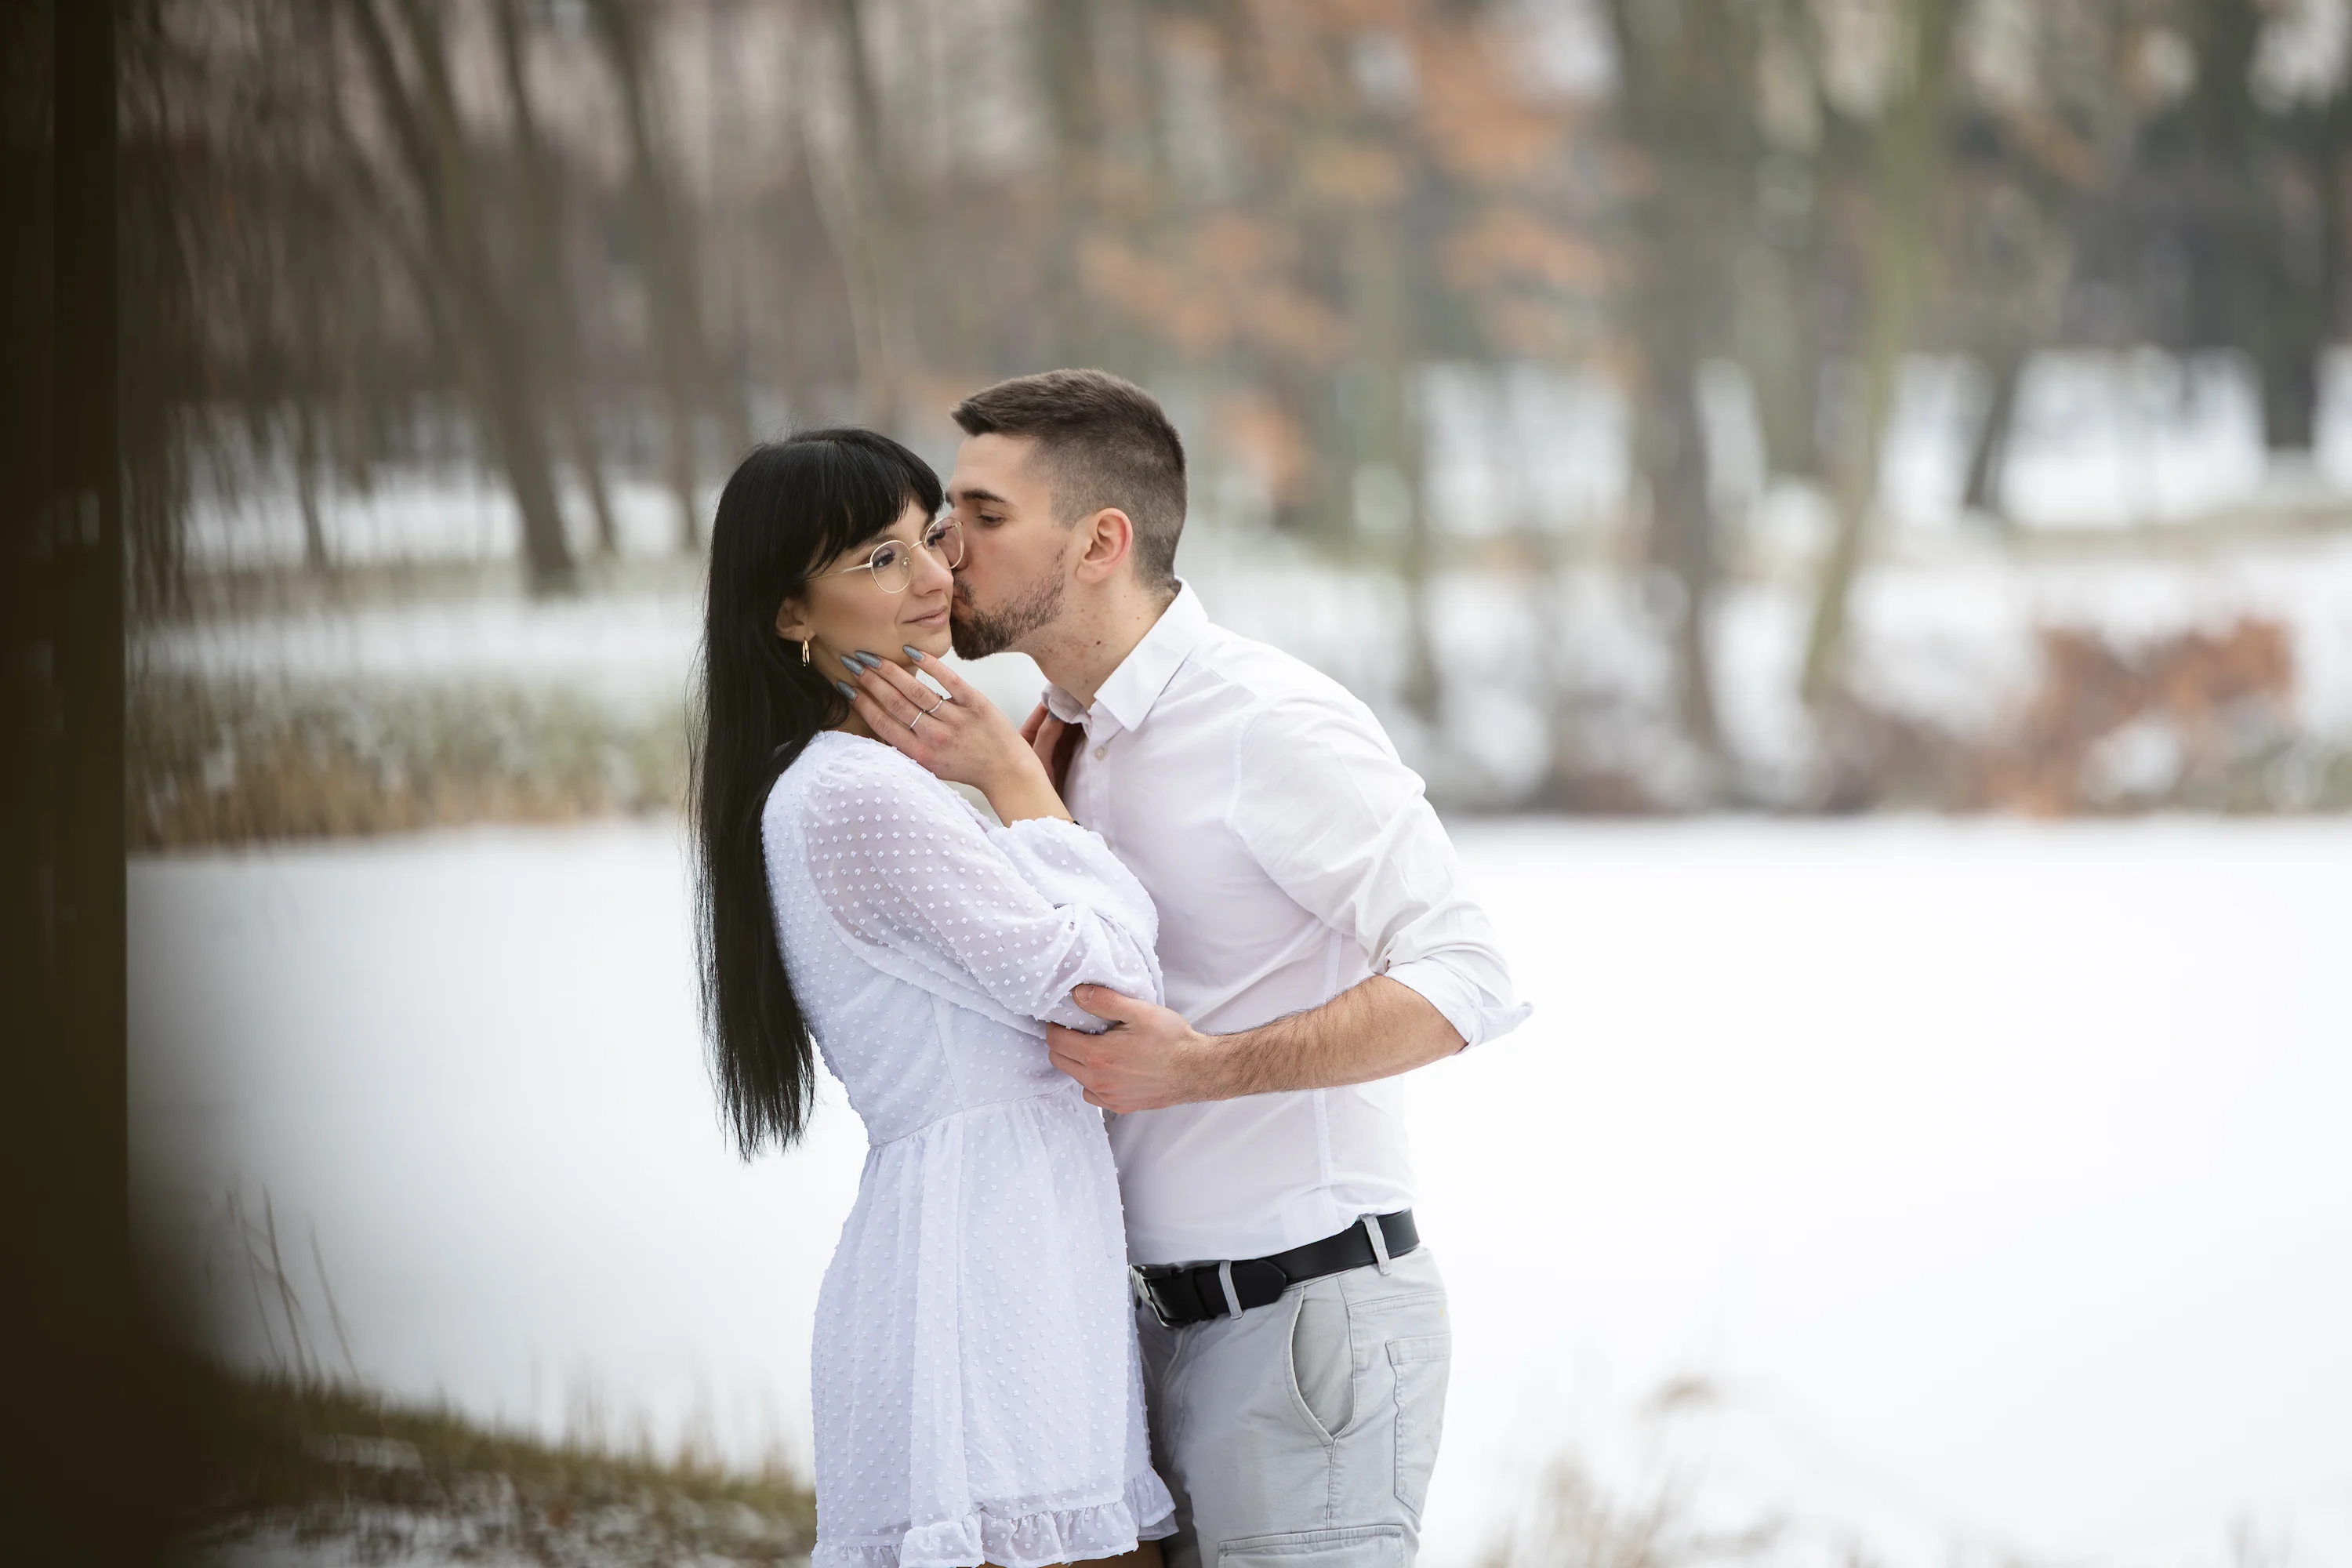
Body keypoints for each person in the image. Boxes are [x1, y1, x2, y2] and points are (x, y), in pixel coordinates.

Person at [858, 369, 1529, 1568]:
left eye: (984, 516)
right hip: (1134, 1335)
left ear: (1102, 541)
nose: (946, 551)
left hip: (1301, 1330)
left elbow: (1470, 974)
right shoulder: (1053, 740)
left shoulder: (1268, 722)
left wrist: (1205, 1069)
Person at [690, 428, 1176, 1568]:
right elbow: (1113, 996)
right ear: (789, 616)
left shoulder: (860, 785)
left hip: (1004, 1244)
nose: (932, 580)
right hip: (982, 1272)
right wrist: (1017, 780)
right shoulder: (856, 798)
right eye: (875, 561)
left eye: (927, 541)